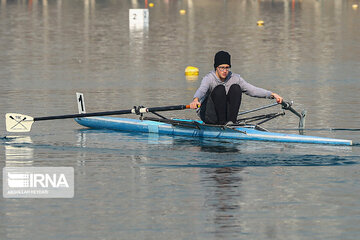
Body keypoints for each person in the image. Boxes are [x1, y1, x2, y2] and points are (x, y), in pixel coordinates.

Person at [189, 51, 283, 125]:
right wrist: (195, 100)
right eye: (222, 68)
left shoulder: (235, 78)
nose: (225, 71)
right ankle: (222, 124)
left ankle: (231, 123)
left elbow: (252, 90)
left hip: (225, 115)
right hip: (209, 115)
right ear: (216, 67)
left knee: (236, 88)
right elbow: (201, 90)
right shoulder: (209, 78)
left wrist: (272, 94)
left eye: (227, 67)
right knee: (220, 89)